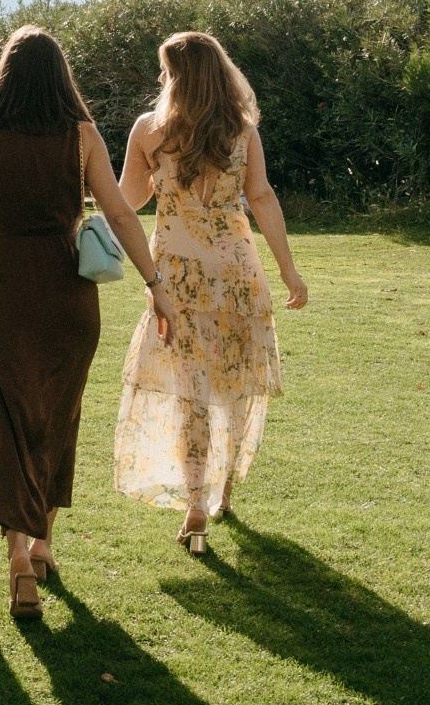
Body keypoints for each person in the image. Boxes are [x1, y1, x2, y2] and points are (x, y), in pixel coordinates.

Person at [0, 27, 172, 622]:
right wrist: (156, 287)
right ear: (62, 78)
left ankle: (18, 562)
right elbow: (122, 213)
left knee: (9, 420)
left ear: (5, 75)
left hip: (9, 289)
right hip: (69, 295)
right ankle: (45, 543)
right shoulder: (82, 136)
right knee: (58, 414)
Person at [114, 31, 310, 556]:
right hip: (238, 276)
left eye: (166, 71)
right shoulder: (241, 131)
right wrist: (290, 272)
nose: (161, 79)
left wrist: (96, 200)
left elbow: (128, 200)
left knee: (190, 394)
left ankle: (196, 504)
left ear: (177, 75)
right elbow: (262, 198)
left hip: (175, 280)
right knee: (235, 385)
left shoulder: (149, 131)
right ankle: (221, 490)